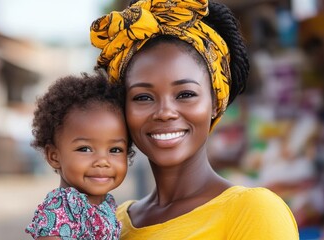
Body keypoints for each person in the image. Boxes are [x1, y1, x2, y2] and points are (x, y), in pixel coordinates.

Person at [90, 0, 299, 239]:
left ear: (215, 102)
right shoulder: (112, 224)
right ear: (122, 108)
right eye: (143, 97)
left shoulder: (253, 211)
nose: (165, 112)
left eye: (186, 94)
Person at [25, 72, 133, 239]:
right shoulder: (61, 210)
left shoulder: (107, 206)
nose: (102, 161)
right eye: (85, 149)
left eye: (115, 150)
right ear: (54, 156)